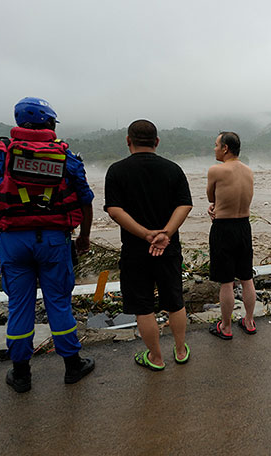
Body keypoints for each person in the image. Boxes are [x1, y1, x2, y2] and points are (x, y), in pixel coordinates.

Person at [0, 97, 95, 393]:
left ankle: (21, 374)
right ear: (50, 124)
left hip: (13, 241)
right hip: (54, 240)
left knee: (18, 306)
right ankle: (72, 366)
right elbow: (86, 201)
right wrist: (83, 237)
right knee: (58, 302)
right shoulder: (65, 156)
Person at [104, 119, 192, 370]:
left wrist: (145, 235)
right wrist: (166, 233)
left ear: (128, 141)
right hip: (169, 248)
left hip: (135, 250)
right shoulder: (173, 169)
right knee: (175, 301)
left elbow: (114, 210)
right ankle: (180, 349)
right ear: (156, 142)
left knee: (143, 307)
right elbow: (184, 204)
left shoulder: (117, 170)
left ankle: (155, 357)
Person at [206, 131, 257, 339]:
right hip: (244, 226)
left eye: (216, 145)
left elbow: (211, 196)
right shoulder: (249, 171)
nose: (215, 148)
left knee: (226, 281)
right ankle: (249, 321)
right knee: (246, 277)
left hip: (223, 228)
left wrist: (214, 207)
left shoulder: (216, 171)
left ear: (225, 148)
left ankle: (226, 327)